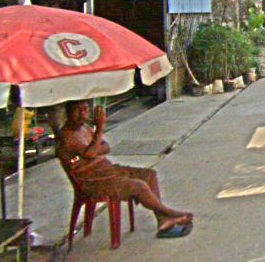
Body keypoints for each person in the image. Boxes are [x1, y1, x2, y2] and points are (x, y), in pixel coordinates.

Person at [56, 100, 193, 238]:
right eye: (77, 110)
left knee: (149, 175)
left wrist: (95, 146)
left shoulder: (85, 129)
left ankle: (163, 220)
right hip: (93, 181)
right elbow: (90, 154)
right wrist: (100, 129)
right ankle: (169, 213)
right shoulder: (66, 135)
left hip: (107, 170)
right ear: (68, 113)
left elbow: (106, 147)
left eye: (85, 109)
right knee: (138, 186)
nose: (82, 114)